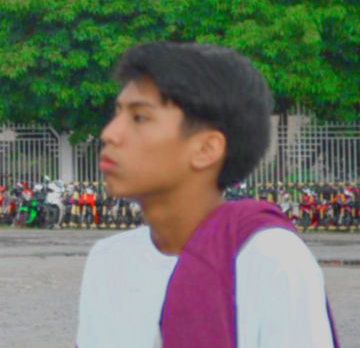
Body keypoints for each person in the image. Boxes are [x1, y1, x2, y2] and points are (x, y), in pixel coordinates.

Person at [76, 42, 338, 348]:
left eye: (140, 118)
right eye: (117, 113)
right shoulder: (108, 260)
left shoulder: (270, 260)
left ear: (206, 149)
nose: (110, 133)